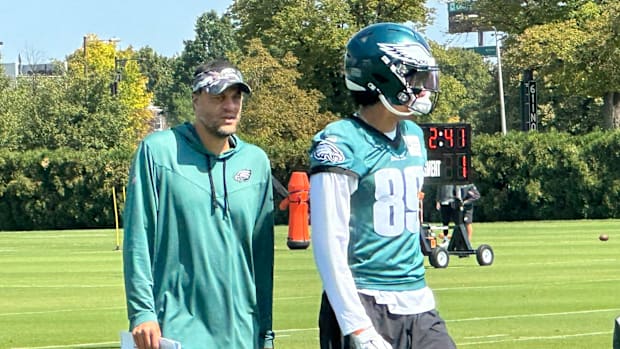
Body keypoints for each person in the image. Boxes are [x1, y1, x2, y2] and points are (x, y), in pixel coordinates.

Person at [309, 22, 456, 349]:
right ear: (385, 78)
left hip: (417, 300)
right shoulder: (341, 142)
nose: (423, 88)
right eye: (415, 77)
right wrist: (356, 326)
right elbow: (329, 241)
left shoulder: (414, 137)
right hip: (365, 298)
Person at [122, 59, 275, 349]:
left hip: (242, 334)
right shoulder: (158, 152)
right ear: (195, 100)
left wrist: (265, 333)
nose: (230, 106)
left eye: (236, 97)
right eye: (218, 97)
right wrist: (142, 311)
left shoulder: (256, 163)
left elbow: (262, 259)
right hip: (177, 332)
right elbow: (139, 238)